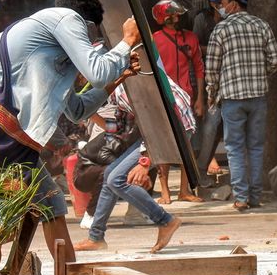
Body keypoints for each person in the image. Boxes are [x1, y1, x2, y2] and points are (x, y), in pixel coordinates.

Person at [0, 0, 141, 275]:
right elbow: (97, 69)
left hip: (1, 122)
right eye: (91, 37)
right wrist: (125, 42)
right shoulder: (65, 18)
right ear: (87, 26)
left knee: (45, 206)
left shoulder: (49, 52)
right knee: (41, 207)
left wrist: (119, 75)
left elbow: (75, 109)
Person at [73, 81, 191, 253]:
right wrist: (92, 114)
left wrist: (145, 162)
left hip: (173, 127)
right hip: (153, 127)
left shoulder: (128, 86)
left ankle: (166, 221)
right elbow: (119, 128)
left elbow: (159, 123)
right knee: (109, 176)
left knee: (116, 179)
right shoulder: (115, 88)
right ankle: (96, 237)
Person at [205, 0, 277, 211]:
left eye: (223, 3)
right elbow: (275, 59)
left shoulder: (221, 29)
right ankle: (255, 196)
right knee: (256, 147)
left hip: (231, 98)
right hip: (257, 96)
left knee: (235, 148)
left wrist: (212, 93)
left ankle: (240, 197)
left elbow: (212, 68)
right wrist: (260, 74)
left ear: (233, 4)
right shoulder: (261, 25)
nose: (221, 7)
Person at [151, 0, 205, 202]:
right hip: (163, 98)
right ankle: (164, 190)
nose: (176, 17)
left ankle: (184, 190)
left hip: (186, 99)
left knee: (187, 146)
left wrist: (200, 99)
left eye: (177, 13)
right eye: (172, 13)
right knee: (163, 144)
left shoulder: (190, 38)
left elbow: (199, 68)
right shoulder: (154, 38)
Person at [193, 0, 231, 186]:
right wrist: (216, 49)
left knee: (223, 129)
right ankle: (200, 168)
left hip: (232, 80)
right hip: (209, 79)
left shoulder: (235, 19)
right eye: (217, 1)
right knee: (209, 126)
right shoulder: (202, 19)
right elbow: (195, 47)